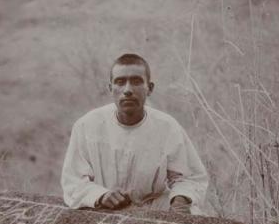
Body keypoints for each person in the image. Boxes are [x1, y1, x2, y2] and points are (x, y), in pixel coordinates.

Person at [61, 53, 208, 214]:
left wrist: (180, 199)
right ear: (110, 88)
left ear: (149, 88)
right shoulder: (87, 125)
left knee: (193, 215)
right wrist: (100, 195)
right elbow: (73, 180)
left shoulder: (168, 127)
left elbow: (189, 177)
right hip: (106, 209)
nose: (128, 90)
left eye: (136, 82)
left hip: (155, 208)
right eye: (120, 82)